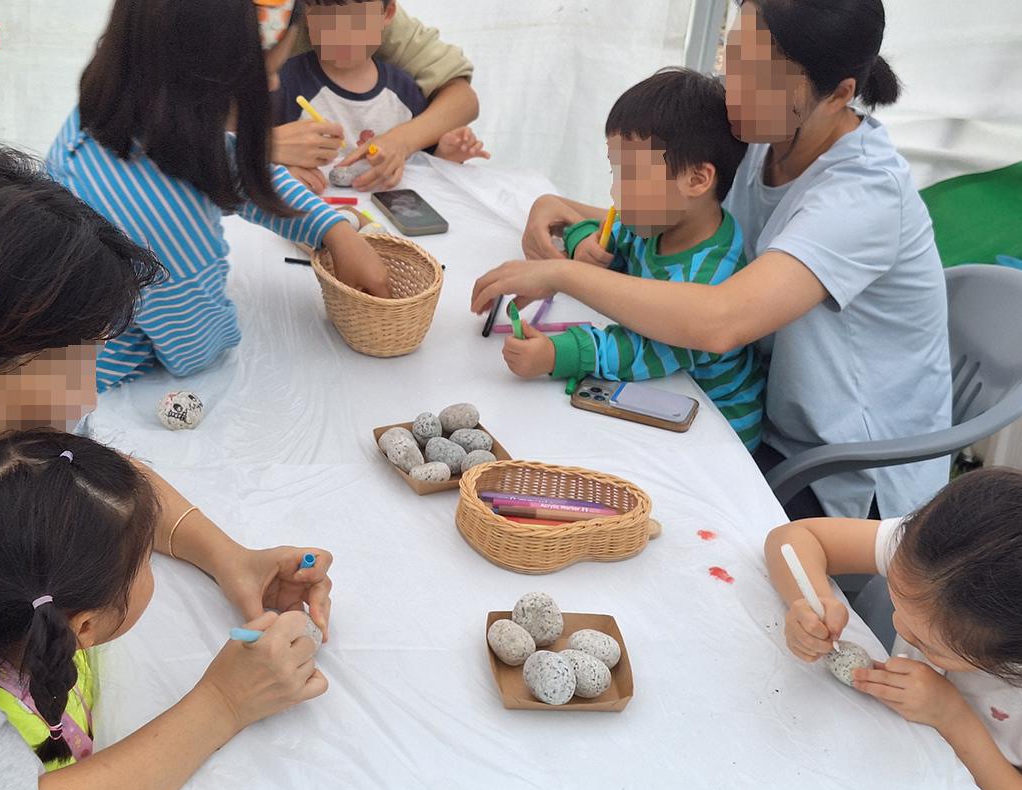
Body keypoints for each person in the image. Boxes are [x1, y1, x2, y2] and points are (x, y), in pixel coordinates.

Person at [0, 143, 332, 790]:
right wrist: (228, 702)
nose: (90, 397)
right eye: (73, 366)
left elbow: (89, 477)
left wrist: (230, 557)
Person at [474, 0, 950, 521]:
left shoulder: (862, 197)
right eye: (732, 56)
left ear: (838, 95)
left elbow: (720, 321)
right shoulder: (767, 136)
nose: (731, 89)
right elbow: (677, 211)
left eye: (759, 76)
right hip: (750, 406)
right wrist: (560, 209)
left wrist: (563, 272)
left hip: (839, 472)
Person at [47, 0, 391, 393]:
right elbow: (198, 350)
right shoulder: (165, 222)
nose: (275, 85)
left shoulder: (112, 114)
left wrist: (333, 230)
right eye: (269, 75)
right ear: (206, 80)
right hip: (96, 385)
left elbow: (231, 168)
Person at [499, 68, 765, 451]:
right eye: (615, 172)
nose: (615, 191)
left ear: (696, 180)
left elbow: (644, 350)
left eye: (632, 176)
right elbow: (609, 241)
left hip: (715, 438)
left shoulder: (711, 275)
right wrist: (582, 244)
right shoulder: (658, 223)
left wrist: (560, 354)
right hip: (665, 403)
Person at [0, 431, 165, 771]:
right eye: (146, 559)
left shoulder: (22, 625)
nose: (151, 567)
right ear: (84, 626)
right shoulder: (15, 742)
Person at [765, 469, 1022, 790]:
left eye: (926, 644)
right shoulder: (933, 561)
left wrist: (951, 716)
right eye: (896, 601)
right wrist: (813, 601)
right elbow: (793, 538)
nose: (897, 626)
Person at [273, 0, 489, 194]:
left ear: (387, 14)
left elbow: (461, 99)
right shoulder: (286, 80)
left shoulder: (402, 88)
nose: (342, 30)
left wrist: (407, 143)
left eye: (357, 19)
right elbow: (245, 145)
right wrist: (268, 153)